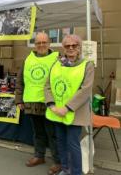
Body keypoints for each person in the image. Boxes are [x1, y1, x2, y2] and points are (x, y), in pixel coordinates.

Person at [45, 35, 94, 175]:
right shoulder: (56, 64)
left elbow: (85, 90)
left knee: (73, 144)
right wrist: (52, 105)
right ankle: (66, 169)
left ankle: (76, 173)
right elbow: (47, 85)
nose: (71, 48)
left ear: (79, 47)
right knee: (60, 142)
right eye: (67, 46)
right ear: (63, 48)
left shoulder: (87, 65)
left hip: (75, 113)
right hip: (56, 111)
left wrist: (67, 108)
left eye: (74, 45)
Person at [15, 32, 61, 175]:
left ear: (49, 43)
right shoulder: (28, 59)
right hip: (32, 102)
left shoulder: (57, 59)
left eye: (44, 42)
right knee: (38, 132)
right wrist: (18, 99)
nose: (41, 45)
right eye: (38, 42)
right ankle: (39, 156)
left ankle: (58, 162)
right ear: (35, 44)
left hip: (50, 103)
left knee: (52, 134)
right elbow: (20, 80)